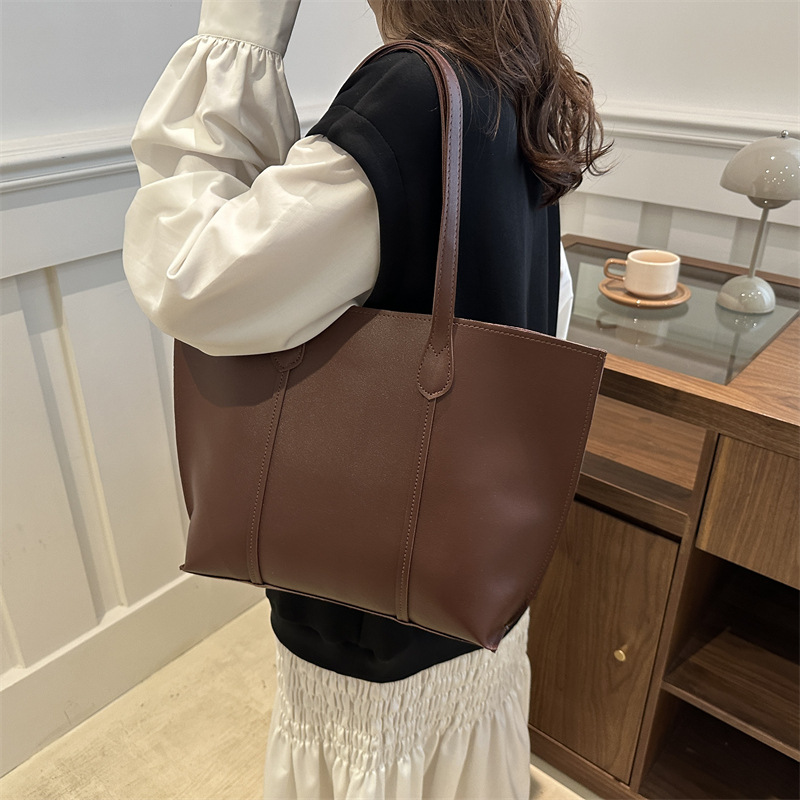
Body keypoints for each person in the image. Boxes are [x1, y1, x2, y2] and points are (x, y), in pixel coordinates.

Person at [123, 0, 609, 797]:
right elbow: (545, 307)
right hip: (475, 577)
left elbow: (195, 280)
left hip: (380, 620)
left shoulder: (413, 93)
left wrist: (239, 31)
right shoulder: (520, 84)